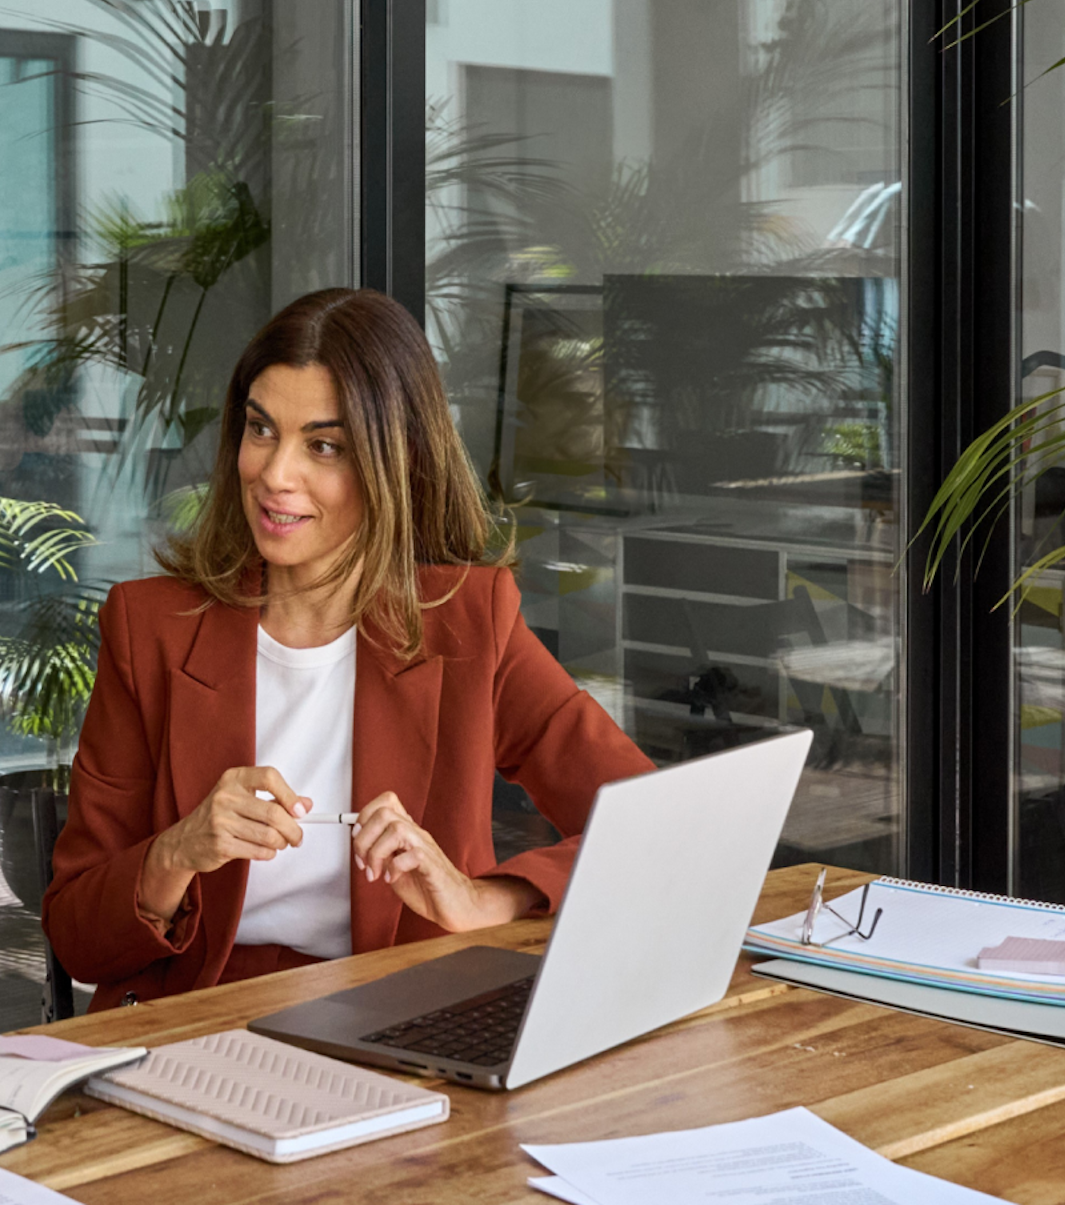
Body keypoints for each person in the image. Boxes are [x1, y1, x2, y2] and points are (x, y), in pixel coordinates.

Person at [42, 288, 656, 1008]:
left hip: (399, 1020)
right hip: (191, 1023)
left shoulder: (469, 623)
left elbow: (648, 821)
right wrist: (176, 852)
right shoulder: (149, 628)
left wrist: (484, 898)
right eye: (261, 429)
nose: (275, 473)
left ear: (394, 461)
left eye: (323, 445)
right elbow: (76, 934)